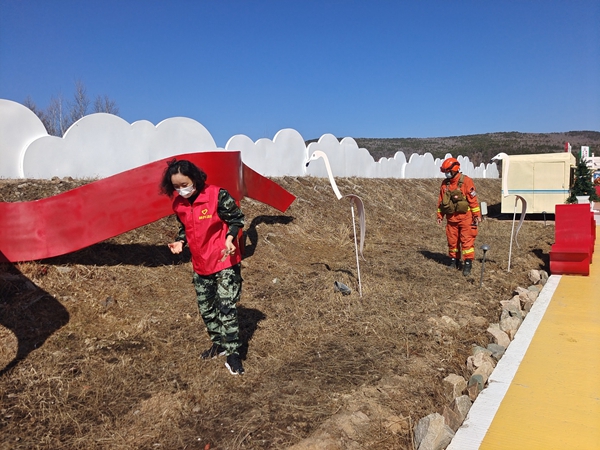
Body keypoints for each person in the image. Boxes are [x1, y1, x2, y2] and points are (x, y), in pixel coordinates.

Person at [160, 159, 246, 375]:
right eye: (176, 186)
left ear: (195, 179)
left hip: (223, 260)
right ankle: (218, 344)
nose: (181, 190)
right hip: (200, 264)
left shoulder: (217, 195)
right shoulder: (179, 204)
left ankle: (233, 354)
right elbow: (186, 226)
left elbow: (236, 219)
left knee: (226, 308)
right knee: (207, 309)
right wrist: (181, 241)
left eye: (185, 184)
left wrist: (230, 238)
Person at [436, 157, 482, 276]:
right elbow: (441, 201)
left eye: (448, 171)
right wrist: (440, 215)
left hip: (466, 219)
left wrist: (476, 215)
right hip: (451, 219)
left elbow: (473, 200)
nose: (446, 174)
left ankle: (467, 263)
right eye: (445, 172)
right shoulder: (445, 184)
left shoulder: (466, 181)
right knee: (452, 241)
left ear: (454, 170)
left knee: (467, 241)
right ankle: (454, 261)